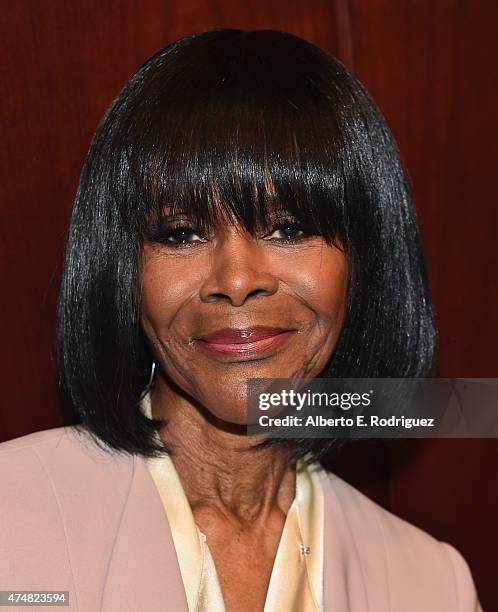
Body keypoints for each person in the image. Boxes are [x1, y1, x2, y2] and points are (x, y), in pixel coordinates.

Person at [0, 29, 483, 612]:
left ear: (365, 264)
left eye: (289, 228)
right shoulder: (13, 518)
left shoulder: (432, 586)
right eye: (180, 233)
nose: (235, 279)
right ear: (121, 273)